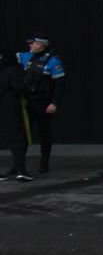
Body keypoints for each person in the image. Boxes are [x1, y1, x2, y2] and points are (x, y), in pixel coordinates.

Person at [17, 34, 64, 174]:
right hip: (28, 101)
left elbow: (60, 84)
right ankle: (19, 163)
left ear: (42, 46)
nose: (31, 46)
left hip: (43, 102)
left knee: (44, 133)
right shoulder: (26, 57)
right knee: (22, 133)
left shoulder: (53, 61)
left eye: (34, 44)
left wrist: (54, 103)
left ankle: (44, 163)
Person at [1, 52, 30, 181]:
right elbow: (19, 88)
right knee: (17, 139)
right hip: (10, 109)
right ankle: (21, 171)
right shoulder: (12, 70)